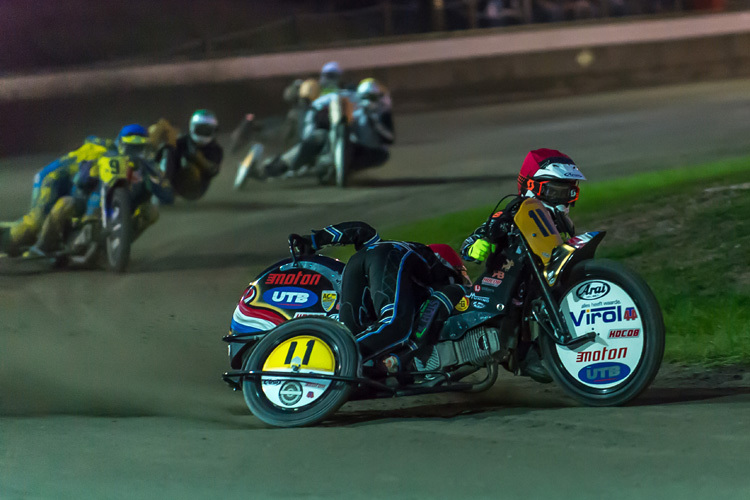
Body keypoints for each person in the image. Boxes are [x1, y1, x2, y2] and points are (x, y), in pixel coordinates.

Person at [461, 148, 586, 381]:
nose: (563, 200)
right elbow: (469, 243)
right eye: (556, 192)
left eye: (568, 192)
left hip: (533, 305)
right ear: (532, 187)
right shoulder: (510, 214)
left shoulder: (560, 228)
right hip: (496, 298)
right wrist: (478, 244)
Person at [297, 221, 469, 376]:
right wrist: (410, 350)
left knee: (349, 335)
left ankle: (316, 363)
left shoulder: (394, 261)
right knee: (395, 326)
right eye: (464, 271)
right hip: (390, 256)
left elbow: (364, 231)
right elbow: (438, 302)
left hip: (354, 263)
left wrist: (313, 240)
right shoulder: (444, 272)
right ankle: (327, 362)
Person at [31, 124, 174, 255]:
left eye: (138, 149)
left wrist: (156, 181)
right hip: (86, 203)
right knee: (64, 204)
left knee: (152, 212)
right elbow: (81, 180)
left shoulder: (148, 166)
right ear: (121, 145)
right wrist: (93, 171)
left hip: (125, 210)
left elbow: (167, 195)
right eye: (130, 148)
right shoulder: (105, 155)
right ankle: (45, 244)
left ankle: (118, 245)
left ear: (145, 149)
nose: (133, 153)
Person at [254, 77, 394, 181]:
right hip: (328, 134)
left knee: (382, 154)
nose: (370, 102)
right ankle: (270, 169)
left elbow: (387, 140)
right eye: (368, 97)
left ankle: (340, 171)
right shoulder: (346, 97)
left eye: (374, 98)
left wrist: (375, 124)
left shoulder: (379, 115)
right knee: (317, 137)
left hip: (356, 146)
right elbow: (327, 101)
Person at [0, 134, 115, 257]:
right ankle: (16, 242)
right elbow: (44, 177)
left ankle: (55, 239)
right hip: (49, 183)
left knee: (61, 209)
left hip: (72, 191)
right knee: (35, 221)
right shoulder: (74, 162)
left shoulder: (109, 157)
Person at [151, 110, 223, 201]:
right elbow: (157, 158)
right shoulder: (181, 142)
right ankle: (162, 187)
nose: (203, 133)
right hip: (173, 180)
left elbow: (213, 171)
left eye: (207, 130)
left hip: (195, 188)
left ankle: (163, 191)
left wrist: (200, 159)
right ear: (192, 128)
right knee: (169, 150)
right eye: (200, 129)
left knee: (191, 170)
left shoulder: (215, 149)